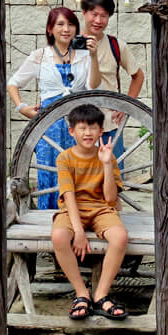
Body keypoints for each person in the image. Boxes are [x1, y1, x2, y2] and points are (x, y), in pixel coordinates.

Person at [7, 7, 100, 209]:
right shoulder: (40, 56)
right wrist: (21, 107)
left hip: (79, 122)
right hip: (49, 125)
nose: (66, 29)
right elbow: (13, 83)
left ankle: (82, 213)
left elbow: (93, 86)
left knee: (80, 168)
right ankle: (49, 217)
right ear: (50, 29)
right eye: (60, 24)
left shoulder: (84, 55)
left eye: (71, 24)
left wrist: (94, 57)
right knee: (49, 170)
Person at [51, 103, 128, 320]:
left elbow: (111, 198)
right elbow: (69, 196)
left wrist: (105, 164)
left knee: (120, 237)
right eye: (82, 128)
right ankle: (81, 293)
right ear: (72, 131)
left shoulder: (108, 157)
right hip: (72, 210)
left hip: (101, 209)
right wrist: (78, 231)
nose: (88, 133)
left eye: (93, 128)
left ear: (101, 131)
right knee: (58, 236)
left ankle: (101, 294)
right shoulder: (64, 158)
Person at [80, 0, 145, 164]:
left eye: (104, 16)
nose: (98, 21)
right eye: (94, 14)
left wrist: (125, 106)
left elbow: (138, 76)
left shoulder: (117, 46)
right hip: (78, 124)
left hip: (109, 124)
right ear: (84, 13)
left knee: (114, 180)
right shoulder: (70, 43)